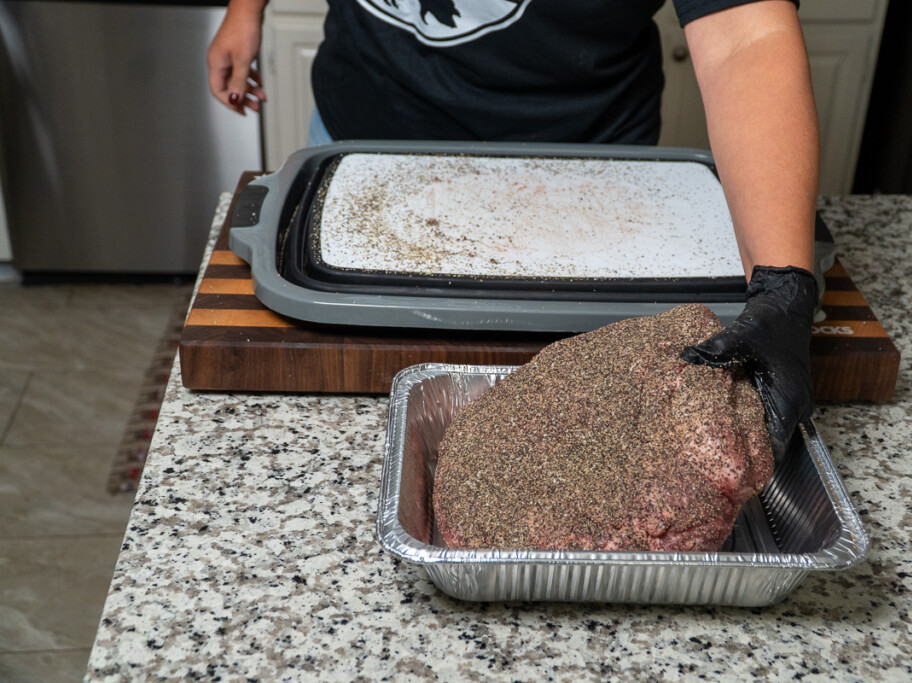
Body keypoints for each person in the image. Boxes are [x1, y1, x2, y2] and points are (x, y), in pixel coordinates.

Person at [207, 0, 820, 461]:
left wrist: (783, 286)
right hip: (368, 138)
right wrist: (245, 10)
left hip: (590, 168)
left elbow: (747, 35)